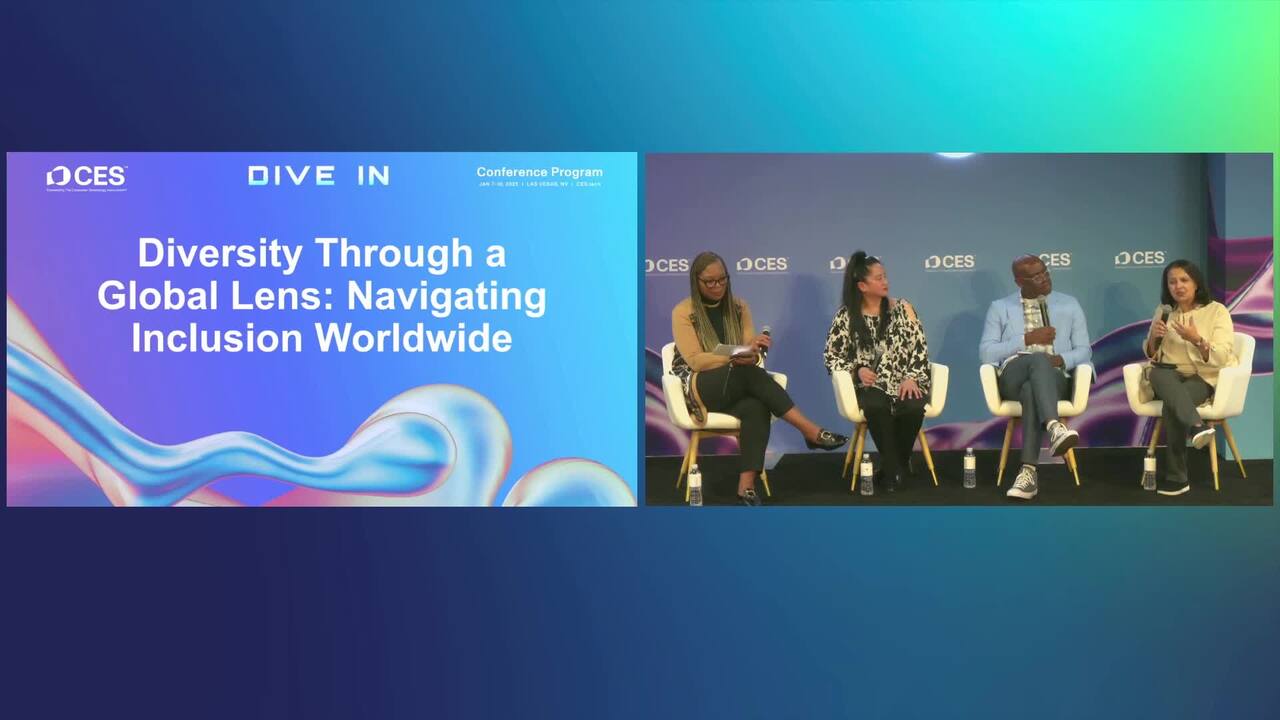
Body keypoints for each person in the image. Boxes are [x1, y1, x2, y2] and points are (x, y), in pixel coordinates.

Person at [671, 251, 847, 506]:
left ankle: (746, 488)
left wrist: (754, 352)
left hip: (736, 381)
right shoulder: (684, 312)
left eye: (722, 279)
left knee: (757, 406)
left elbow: (749, 355)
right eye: (710, 281)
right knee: (746, 373)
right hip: (699, 388)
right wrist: (737, 354)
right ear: (696, 281)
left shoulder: (739, 307)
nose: (717, 286)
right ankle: (810, 431)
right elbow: (696, 361)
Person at [979, 254, 1091, 500]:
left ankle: (1028, 472)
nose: (1044, 279)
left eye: (1045, 272)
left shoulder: (1069, 304)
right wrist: (1027, 339)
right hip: (1013, 375)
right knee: (1036, 360)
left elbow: (1085, 350)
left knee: (1032, 389)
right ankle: (1055, 427)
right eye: (1036, 276)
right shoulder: (1000, 307)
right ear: (1020, 281)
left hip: (1053, 377)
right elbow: (987, 352)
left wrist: (1059, 360)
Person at [823, 251, 931, 493]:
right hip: (871, 385)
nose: (886, 282)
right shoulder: (846, 317)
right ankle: (896, 469)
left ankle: (892, 467)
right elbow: (831, 356)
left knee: (913, 406)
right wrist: (857, 370)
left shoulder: (903, 308)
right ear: (862, 286)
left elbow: (920, 347)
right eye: (879, 278)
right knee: (875, 405)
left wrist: (912, 377)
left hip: (905, 380)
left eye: (885, 276)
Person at [1142, 259, 1236, 496]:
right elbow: (1152, 354)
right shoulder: (1164, 311)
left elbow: (1222, 356)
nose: (1178, 286)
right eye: (1172, 282)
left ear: (1196, 283)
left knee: (1173, 405)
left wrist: (1197, 339)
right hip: (1167, 374)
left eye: (1184, 280)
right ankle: (1196, 426)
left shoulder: (1216, 311)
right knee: (1157, 373)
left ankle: (1178, 478)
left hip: (1201, 377)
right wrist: (1153, 338)